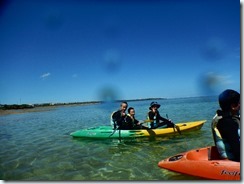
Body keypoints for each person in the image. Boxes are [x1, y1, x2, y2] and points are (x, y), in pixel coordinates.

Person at [211, 89, 240, 162]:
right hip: (233, 159)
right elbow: (236, 150)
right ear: (233, 106)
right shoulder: (228, 123)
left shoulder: (219, 117)